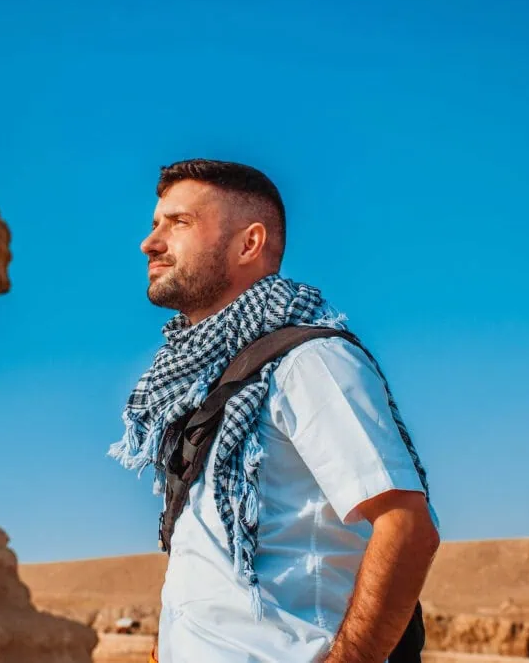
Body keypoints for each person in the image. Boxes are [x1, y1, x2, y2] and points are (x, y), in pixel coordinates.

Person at [110, 159, 442, 663]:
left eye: (179, 223)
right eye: (157, 223)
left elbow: (407, 525)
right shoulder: (211, 385)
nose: (150, 242)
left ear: (249, 243)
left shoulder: (310, 362)